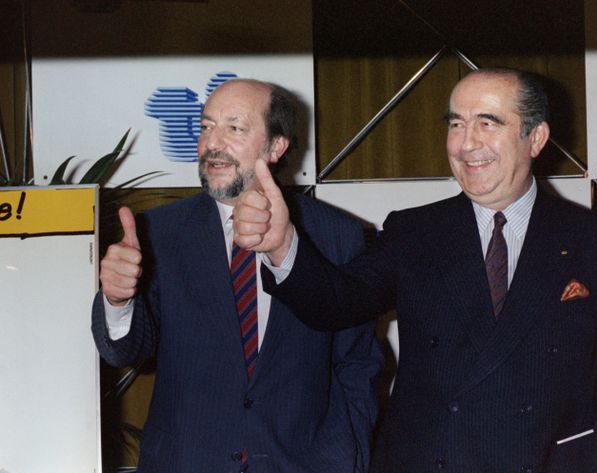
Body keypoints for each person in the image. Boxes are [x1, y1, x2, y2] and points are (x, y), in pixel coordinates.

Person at [234, 69, 597, 473]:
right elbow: (337, 302)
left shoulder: (595, 239)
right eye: (456, 124)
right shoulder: (415, 232)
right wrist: (282, 245)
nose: (467, 144)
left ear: (535, 138)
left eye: (488, 123)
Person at [91, 79, 383, 473]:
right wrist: (118, 301)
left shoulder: (337, 236)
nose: (214, 143)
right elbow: (126, 352)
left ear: (277, 146)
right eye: (207, 126)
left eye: (235, 128)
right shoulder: (158, 233)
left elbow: (357, 362)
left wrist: (349, 454)